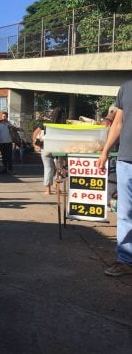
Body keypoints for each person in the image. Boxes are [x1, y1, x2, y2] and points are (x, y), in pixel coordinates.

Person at [96, 80, 132, 277]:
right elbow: (117, 123)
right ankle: (125, 260)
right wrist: (105, 152)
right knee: (125, 214)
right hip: (126, 160)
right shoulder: (126, 88)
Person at [32, 123, 55, 194]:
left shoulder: (45, 123)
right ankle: (57, 185)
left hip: (45, 147)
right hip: (59, 148)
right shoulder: (63, 123)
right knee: (59, 167)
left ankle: (48, 189)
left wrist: (35, 145)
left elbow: (35, 134)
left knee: (48, 168)